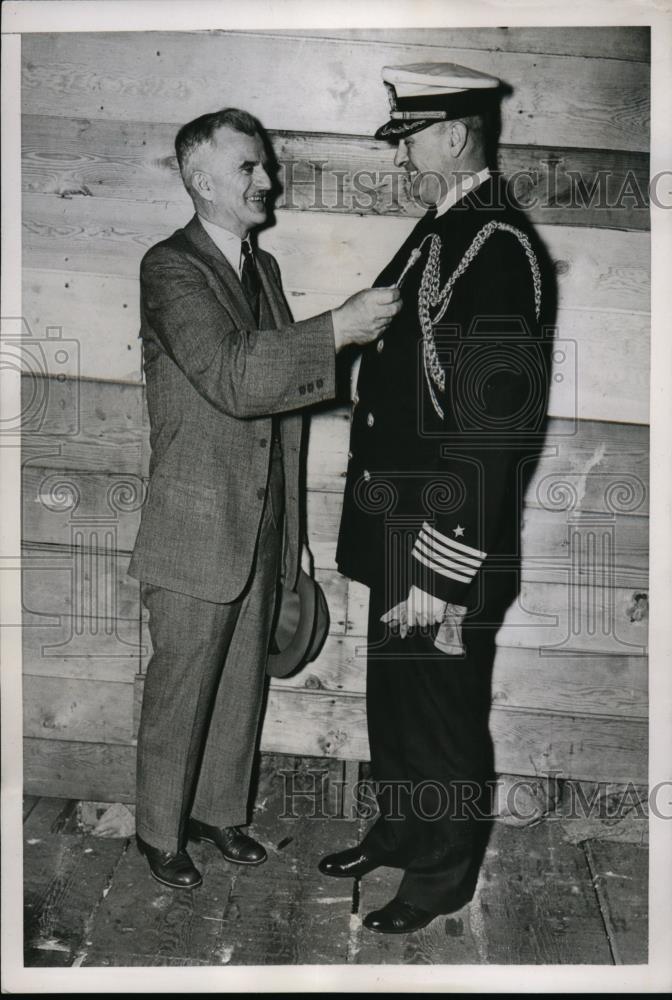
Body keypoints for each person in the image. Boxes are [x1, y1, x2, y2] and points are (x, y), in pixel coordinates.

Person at [128, 107, 401, 890]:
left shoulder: (264, 270)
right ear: (200, 179)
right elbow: (238, 376)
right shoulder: (169, 268)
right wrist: (337, 329)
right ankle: (158, 832)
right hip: (195, 521)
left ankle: (217, 813)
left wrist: (294, 531)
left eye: (265, 165)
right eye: (248, 167)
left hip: (262, 520)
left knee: (240, 677)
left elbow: (281, 413)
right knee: (183, 686)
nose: (266, 180)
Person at [320, 64, 552, 933]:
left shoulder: (497, 246)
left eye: (410, 139)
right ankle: (404, 829)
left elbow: (496, 432)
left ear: (452, 136)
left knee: (441, 711)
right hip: (399, 521)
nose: (404, 158)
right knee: (398, 696)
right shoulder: (447, 227)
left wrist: (443, 568)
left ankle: (443, 874)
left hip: (441, 536)